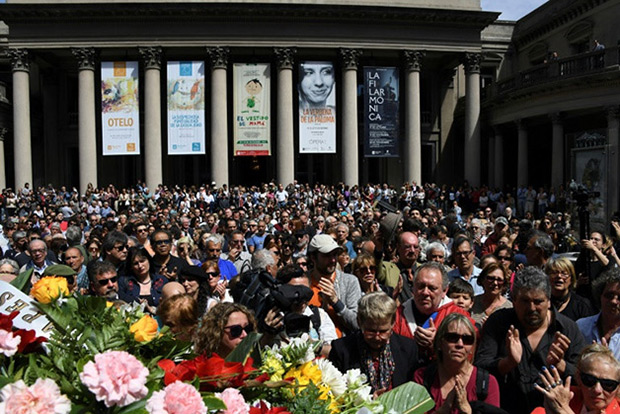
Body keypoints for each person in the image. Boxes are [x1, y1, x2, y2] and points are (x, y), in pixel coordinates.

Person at [475, 266, 587, 414]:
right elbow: (479, 369)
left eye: (538, 301)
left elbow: (585, 379)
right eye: (525, 301)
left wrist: (560, 365)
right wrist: (508, 362)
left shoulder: (567, 329)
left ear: (548, 301)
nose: (531, 308)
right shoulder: (499, 323)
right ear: (513, 300)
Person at [328, 292, 419, 395]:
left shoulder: (408, 348)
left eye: (383, 331)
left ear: (393, 323)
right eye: (370, 331)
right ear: (359, 322)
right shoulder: (342, 350)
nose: (377, 337)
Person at [414, 313, 501, 413]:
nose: (460, 344)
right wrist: (445, 408)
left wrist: (467, 410)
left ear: (472, 347)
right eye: (452, 338)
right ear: (439, 343)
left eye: (467, 340)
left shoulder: (487, 383)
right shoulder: (422, 377)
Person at [532, 344, 620, 414]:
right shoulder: (563, 398)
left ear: (618, 388)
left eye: (608, 384)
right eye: (589, 380)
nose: (597, 390)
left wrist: (563, 410)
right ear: (578, 378)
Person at [307, 234, 362, 336]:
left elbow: (357, 323)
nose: (333, 260)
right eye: (327, 255)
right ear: (313, 257)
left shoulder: (349, 282)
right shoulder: (304, 282)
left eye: (335, 254)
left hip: (341, 347)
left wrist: (336, 303)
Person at [577, 268, 620, 361]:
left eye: (619, 297)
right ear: (600, 296)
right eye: (609, 295)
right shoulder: (581, 327)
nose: (613, 301)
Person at [118, 247, 167, 312]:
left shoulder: (161, 280)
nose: (140, 266)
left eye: (142, 261)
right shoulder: (124, 282)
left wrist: (152, 309)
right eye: (135, 263)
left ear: (148, 260)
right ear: (131, 267)